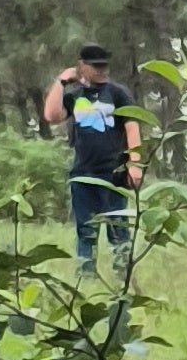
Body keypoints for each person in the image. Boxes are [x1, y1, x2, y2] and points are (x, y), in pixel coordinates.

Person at [43, 43, 141, 274]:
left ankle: (122, 277)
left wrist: (135, 164)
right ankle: (85, 277)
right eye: (95, 66)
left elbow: (132, 127)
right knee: (85, 231)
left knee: (118, 229)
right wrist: (61, 81)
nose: (101, 70)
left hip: (114, 174)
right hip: (83, 175)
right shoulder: (75, 96)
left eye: (104, 65)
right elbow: (52, 115)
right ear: (82, 66)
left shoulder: (118, 93)